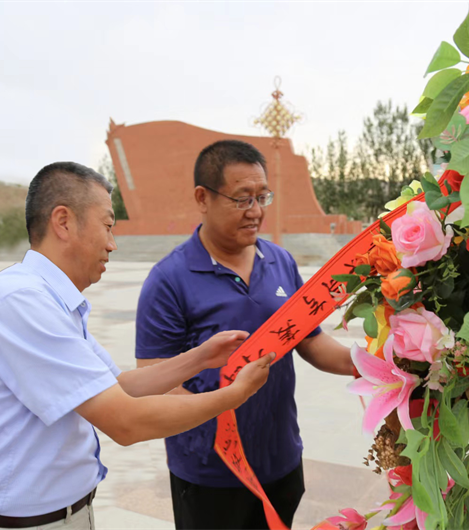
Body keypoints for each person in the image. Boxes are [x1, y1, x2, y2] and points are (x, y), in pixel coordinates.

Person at [0, 161, 273, 530]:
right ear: (64, 222)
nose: (112, 244)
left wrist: (200, 358)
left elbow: (119, 386)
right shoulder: (20, 302)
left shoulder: (53, 301)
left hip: (64, 516)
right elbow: (125, 422)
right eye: (107, 226)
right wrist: (234, 395)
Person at [135, 140, 355, 530]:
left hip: (281, 458)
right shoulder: (169, 280)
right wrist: (221, 408)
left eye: (262, 196)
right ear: (202, 198)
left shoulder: (281, 261)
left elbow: (311, 341)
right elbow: (154, 377)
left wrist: (371, 365)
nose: (256, 212)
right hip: (210, 472)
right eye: (241, 199)